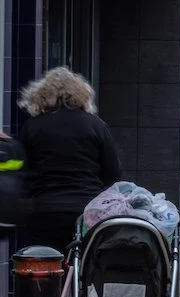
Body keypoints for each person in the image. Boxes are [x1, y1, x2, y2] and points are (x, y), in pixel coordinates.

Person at [17, 66, 121, 250]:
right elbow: (113, 173)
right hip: (87, 210)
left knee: (44, 261)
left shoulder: (32, 127)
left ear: (41, 95)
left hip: (45, 210)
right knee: (85, 262)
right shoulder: (96, 126)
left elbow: (22, 171)